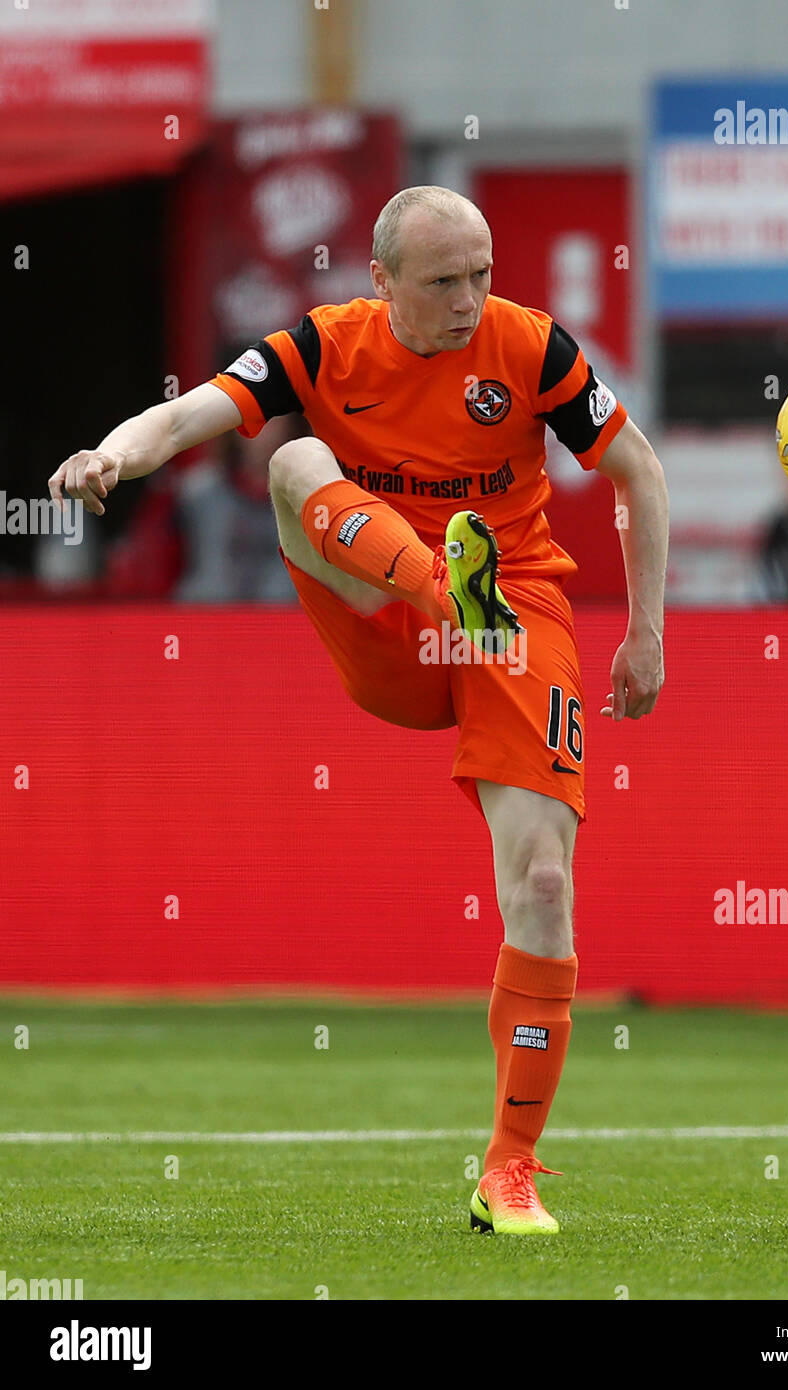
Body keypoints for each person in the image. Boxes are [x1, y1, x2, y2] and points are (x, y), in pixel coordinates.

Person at [49, 185, 669, 1236]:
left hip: (515, 612)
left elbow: (635, 468)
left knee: (545, 881)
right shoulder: (323, 345)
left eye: (481, 274)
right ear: (381, 281)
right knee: (293, 457)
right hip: (382, 608)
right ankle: (445, 585)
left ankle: (508, 1172)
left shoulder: (532, 347)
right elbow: (189, 414)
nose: (470, 299)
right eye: (444, 280)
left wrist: (646, 632)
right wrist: (113, 451)